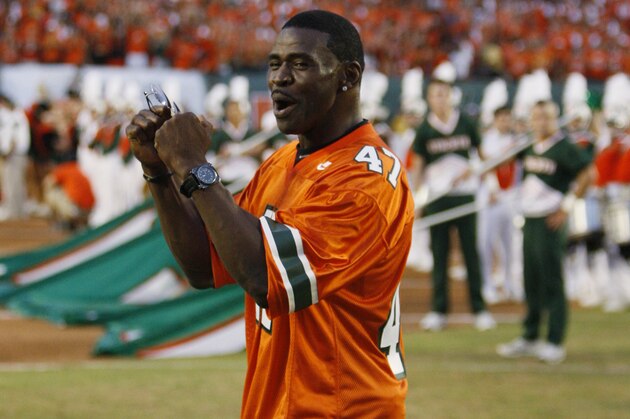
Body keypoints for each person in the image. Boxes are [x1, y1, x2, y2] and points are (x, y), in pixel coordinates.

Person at [126, 10, 413, 418]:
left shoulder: (364, 181)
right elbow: (206, 266)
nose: (279, 78)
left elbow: (265, 280)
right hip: (279, 400)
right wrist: (158, 171)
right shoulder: (283, 162)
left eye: (301, 64)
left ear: (347, 76)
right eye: (275, 64)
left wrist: (193, 165)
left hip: (341, 408)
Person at [497, 100, 595, 364]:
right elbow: (503, 160)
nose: (541, 122)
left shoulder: (564, 148)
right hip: (529, 218)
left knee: (552, 279)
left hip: (550, 220)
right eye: (537, 117)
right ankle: (530, 336)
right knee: (531, 279)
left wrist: (567, 207)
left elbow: (588, 174)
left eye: (546, 117)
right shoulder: (528, 145)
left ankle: (554, 340)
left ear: (555, 119)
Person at [410, 76, 496, 331]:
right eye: (436, 94)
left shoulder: (467, 123)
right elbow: (418, 167)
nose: (440, 99)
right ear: (429, 99)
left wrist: (489, 184)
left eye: (444, 94)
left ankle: (479, 310)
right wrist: (419, 200)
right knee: (439, 255)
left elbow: (482, 157)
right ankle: (439, 311)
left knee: (471, 253)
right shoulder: (425, 129)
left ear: (451, 96)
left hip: (465, 197)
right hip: (438, 199)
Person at [477, 105, 522, 303]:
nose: (505, 122)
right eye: (501, 118)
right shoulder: (487, 140)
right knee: (486, 242)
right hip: (491, 197)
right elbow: (485, 166)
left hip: (511, 196)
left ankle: (510, 283)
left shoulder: (517, 140)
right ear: (495, 120)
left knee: (510, 244)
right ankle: (486, 284)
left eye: (507, 118)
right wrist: (492, 187)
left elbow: (518, 168)